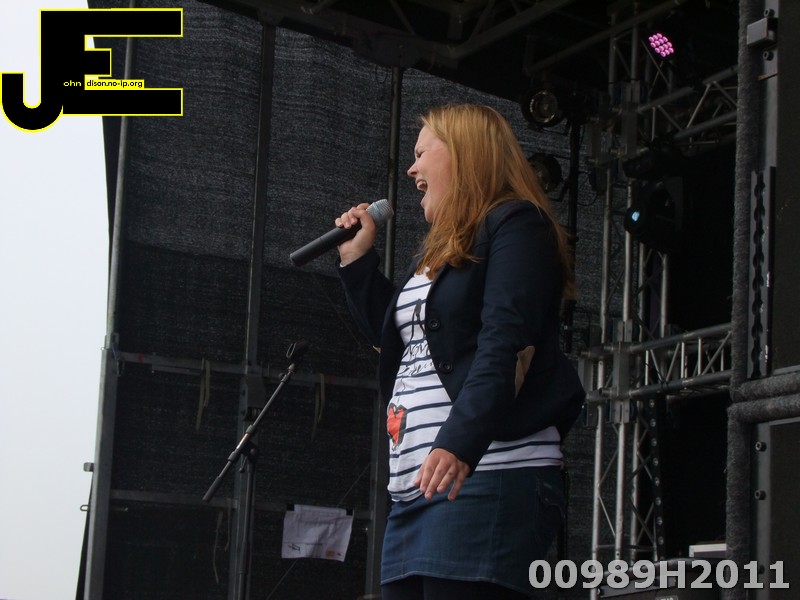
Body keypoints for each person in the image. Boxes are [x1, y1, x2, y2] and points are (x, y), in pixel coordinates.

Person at [335, 103, 585, 599]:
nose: (411, 170)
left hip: (488, 474)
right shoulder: (437, 253)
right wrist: (357, 261)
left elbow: (505, 341)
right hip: (417, 490)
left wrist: (458, 442)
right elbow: (400, 343)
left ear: (464, 153)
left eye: (421, 153)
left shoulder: (517, 224)